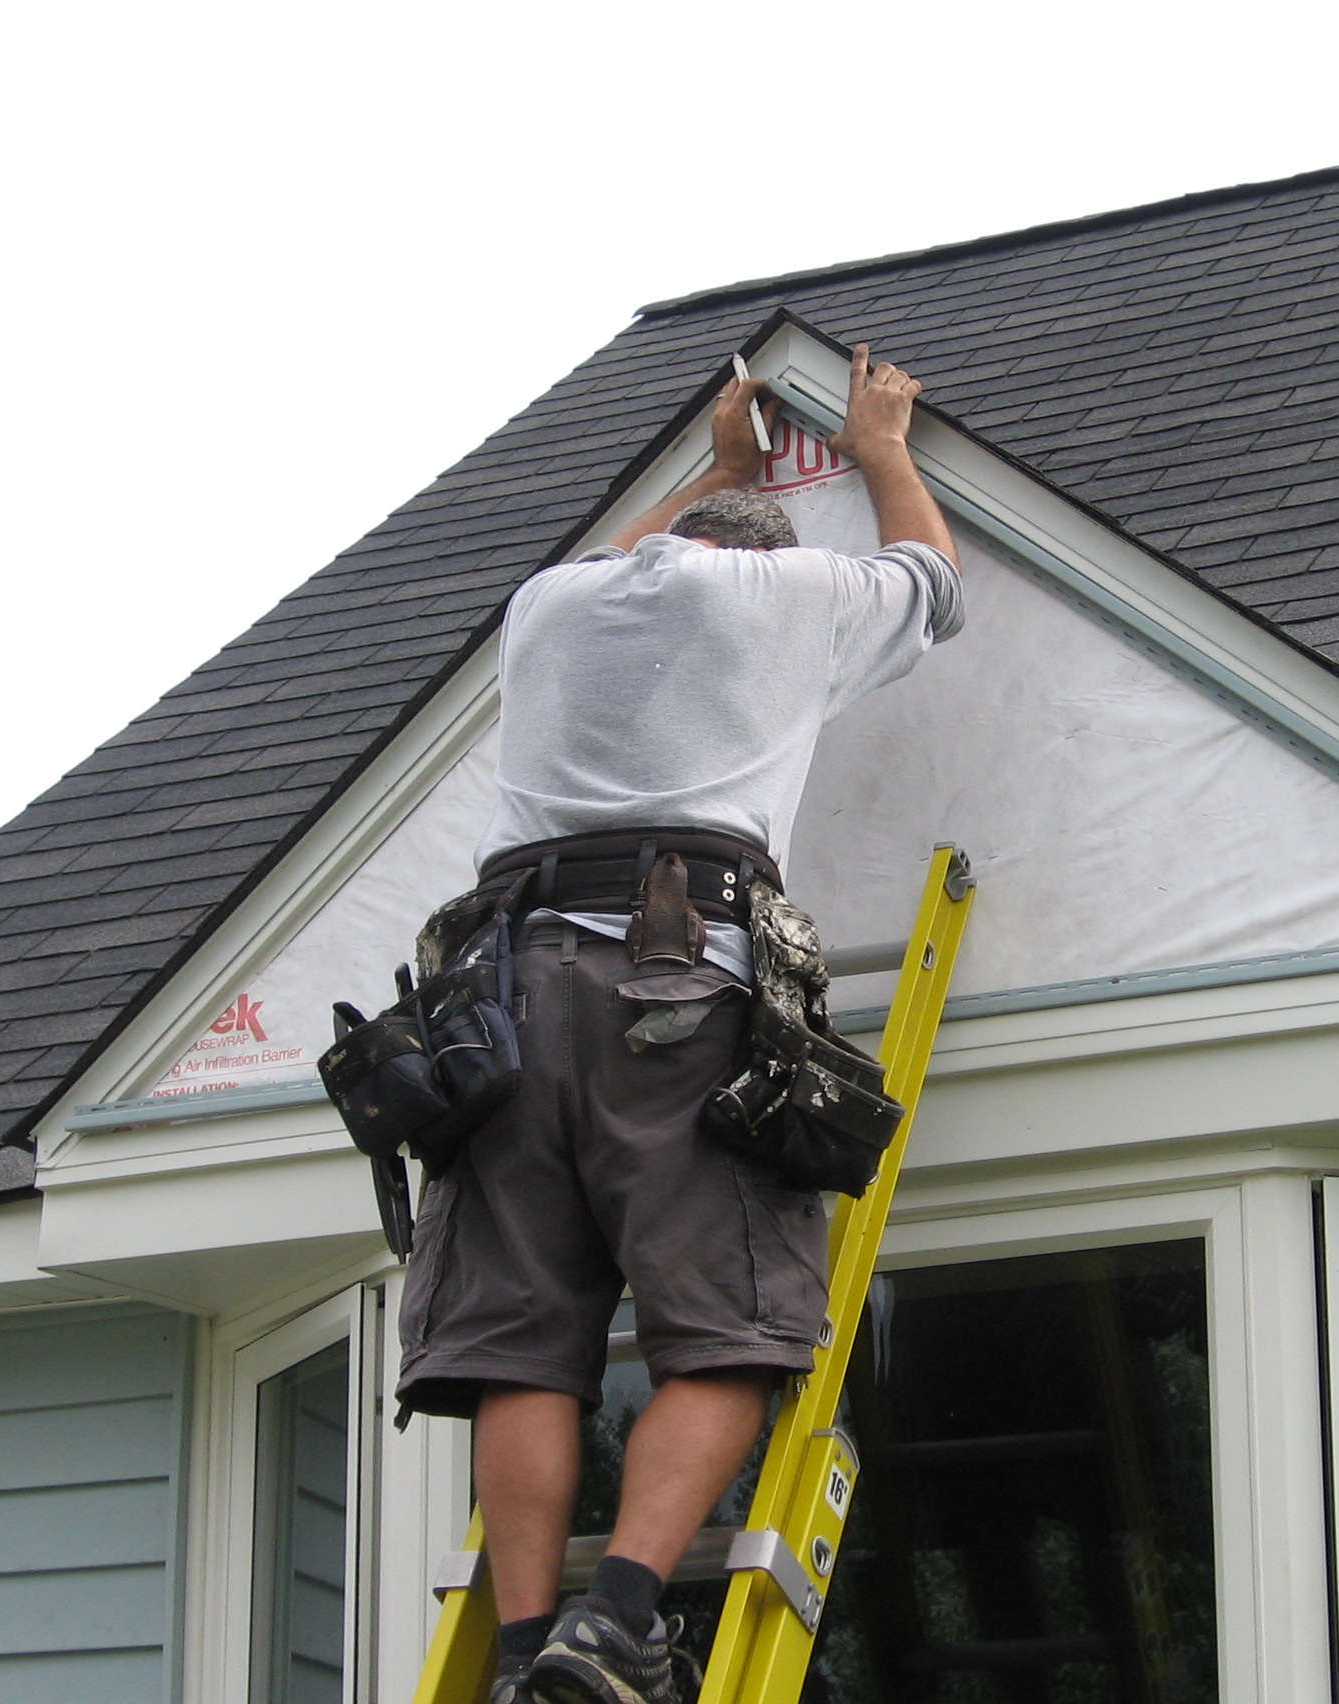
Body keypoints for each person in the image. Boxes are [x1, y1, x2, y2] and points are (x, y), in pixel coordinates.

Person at [394, 345, 966, 1704]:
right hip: (675, 981)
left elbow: (623, 556)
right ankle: (620, 1621)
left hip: (497, 1002)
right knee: (731, 1325)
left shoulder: (550, 606)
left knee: (520, 1346)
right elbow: (934, 586)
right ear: (763, 553)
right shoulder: (789, 595)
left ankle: (529, 1657)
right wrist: (884, 448)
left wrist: (715, 467)